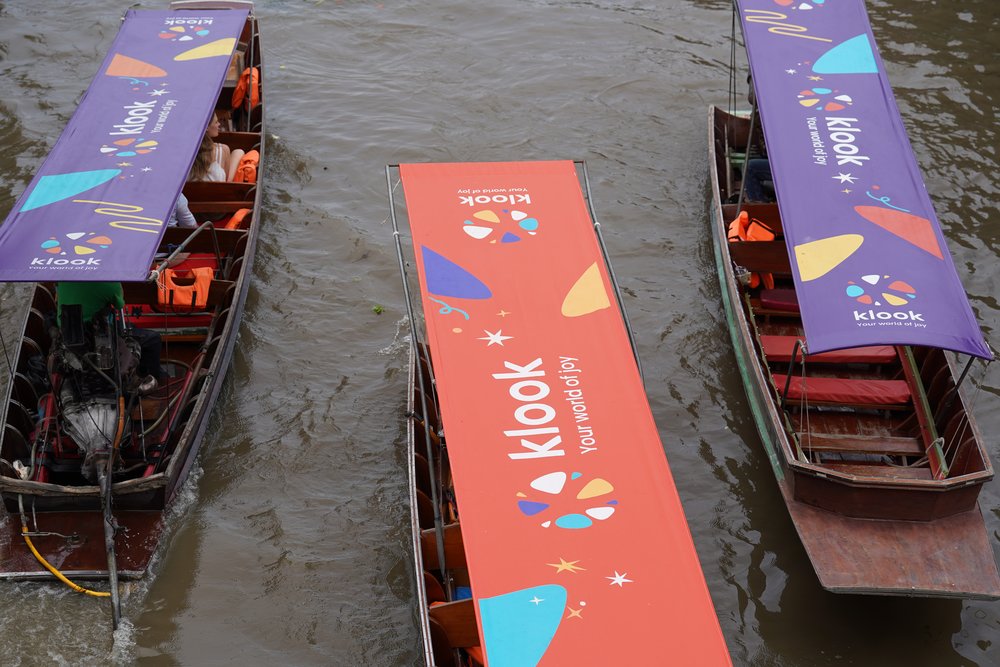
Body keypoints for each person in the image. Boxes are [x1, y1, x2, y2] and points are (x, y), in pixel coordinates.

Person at [56, 282, 162, 392]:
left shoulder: (64, 278)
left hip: (66, 329)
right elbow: (119, 304)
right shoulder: (109, 281)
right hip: (96, 332)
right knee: (153, 339)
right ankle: (152, 389)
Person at [188, 112, 244, 182]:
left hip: (192, 187)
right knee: (238, 152)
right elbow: (225, 182)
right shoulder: (222, 149)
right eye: (216, 122)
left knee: (237, 152)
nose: (219, 124)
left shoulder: (187, 151)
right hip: (218, 187)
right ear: (207, 127)